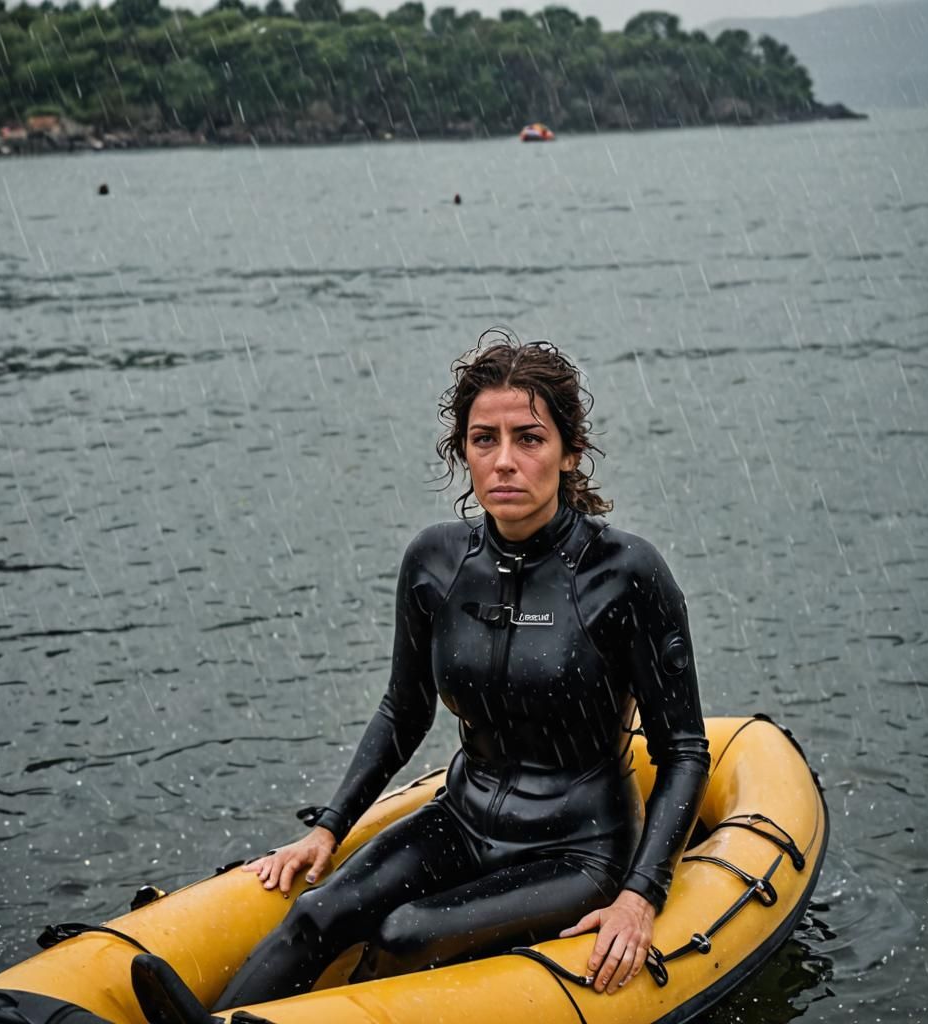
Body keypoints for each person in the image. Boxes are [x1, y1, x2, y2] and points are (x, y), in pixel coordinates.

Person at [131, 334, 711, 1023]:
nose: (504, 461)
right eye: (483, 439)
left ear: (569, 450)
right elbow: (403, 711)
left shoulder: (625, 573)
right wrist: (329, 827)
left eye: (528, 439)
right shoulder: (437, 561)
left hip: (577, 849)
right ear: (461, 451)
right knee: (319, 913)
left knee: (408, 933)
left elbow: (683, 749)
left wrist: (639, 895)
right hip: (462, 819)